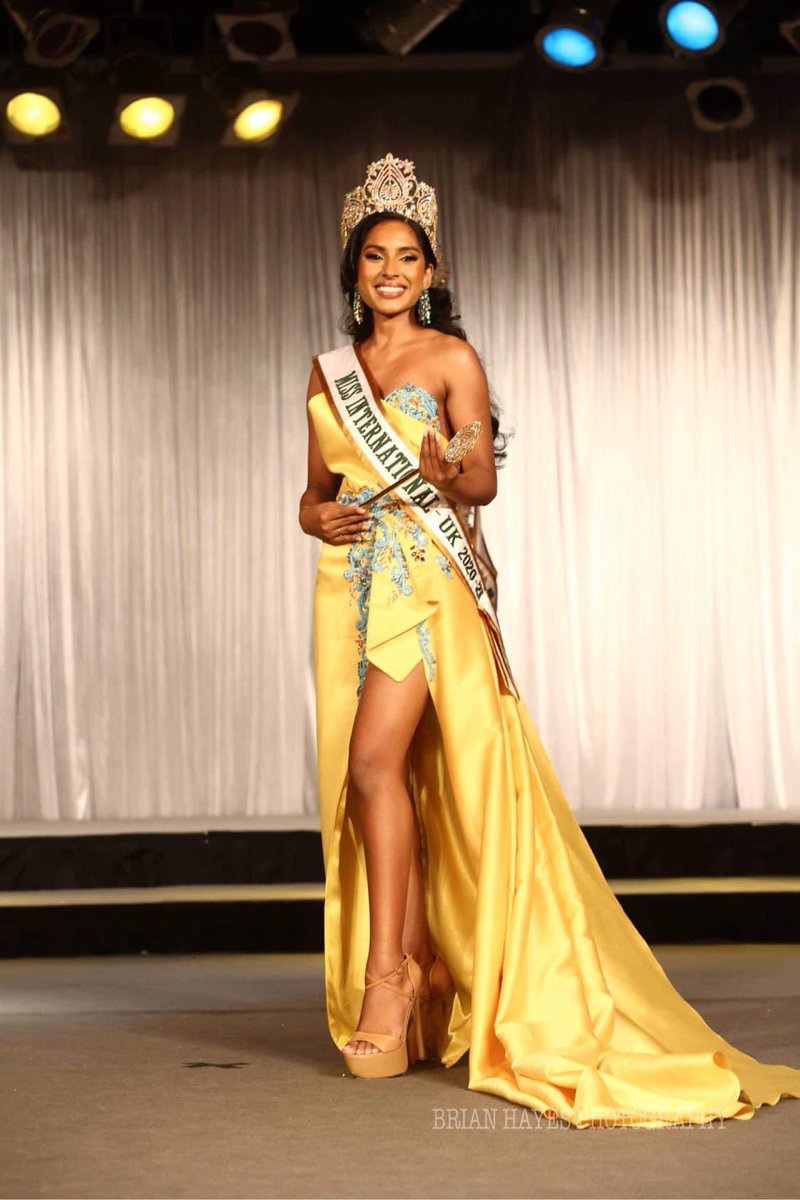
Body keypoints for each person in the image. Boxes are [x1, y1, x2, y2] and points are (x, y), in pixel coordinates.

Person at [298, 151, 800, 1126]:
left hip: (428, 585)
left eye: (407, 257)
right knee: (388, 777)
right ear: (353, 271)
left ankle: (389, 978)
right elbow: (312, 496)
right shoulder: (326, 371)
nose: (391, 271)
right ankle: (420, 965)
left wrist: (447, 473)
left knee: (375, 765)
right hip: (351, 593)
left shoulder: (451, 359)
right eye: (375, 257)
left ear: (431, 271)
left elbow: (482, 480)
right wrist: (318, 518)